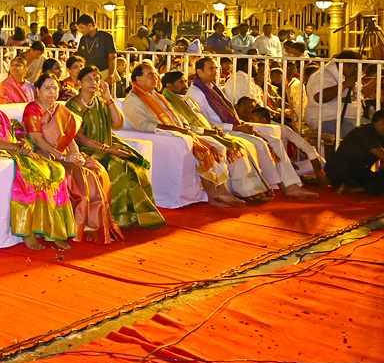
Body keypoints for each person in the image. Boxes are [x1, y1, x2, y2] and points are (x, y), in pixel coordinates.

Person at [0, 72, 76, 250]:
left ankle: (53, 230)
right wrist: (15, 148)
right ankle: (27, 232)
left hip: (9, 151)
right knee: (30, 174)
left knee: (55, 169)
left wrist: (23, 143)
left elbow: (17, 130)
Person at [188, 58, 316, 200]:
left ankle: (291, 186)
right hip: (221, 131)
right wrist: (237, 127)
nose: (215, 72)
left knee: (275, 141)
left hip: (234, 126)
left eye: (216, 68)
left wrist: (242, 125)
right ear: (199, 71)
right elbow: (205, 123)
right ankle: (276, 186)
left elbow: (229, 113)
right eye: (211, 68)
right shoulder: (196, 93)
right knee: (260, 143)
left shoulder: (212, 88)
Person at [121, 63, 244, 207]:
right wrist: (177, 130)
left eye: (155, 74)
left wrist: (199, 131)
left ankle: (221, 191)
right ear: (137, 79)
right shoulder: (133, 99)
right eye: (150, 75)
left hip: (180, 133)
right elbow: (142, 126)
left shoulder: (157, 97)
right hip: (165, 138)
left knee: (217, 145)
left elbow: (179, 120)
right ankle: (214, 194)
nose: (155, 78)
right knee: (205, 149)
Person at [24, 73, 121, 244]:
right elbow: (37, 139)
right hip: (44, 153)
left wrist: (75, 155)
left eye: (54, 88)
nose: (51, 92)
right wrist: (63, 156)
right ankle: (76, 227)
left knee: (96, 169)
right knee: (79, 175)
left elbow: (70, 138)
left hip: (64, 152)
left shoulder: (60, 109)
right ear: (38, 90)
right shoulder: (33, 109)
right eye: (47, 88)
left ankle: (95, 225)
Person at [66, 66, 165, 230]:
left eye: (97, 79)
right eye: (88, 79)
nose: (94, 82)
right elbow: (79, 137)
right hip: (85, 150)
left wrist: (109, 98)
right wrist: (107, 149)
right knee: (118, 166)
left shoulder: (99, 102)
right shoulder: (73, 106)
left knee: (134, 166)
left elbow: (117, 124)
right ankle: (115, 217)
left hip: (105, 145)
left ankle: (135, 214)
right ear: (79, 83)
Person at [323, 109, 384, 195]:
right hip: (342, 171)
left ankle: (354, 188)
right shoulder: (364, 132)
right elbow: (381, 154)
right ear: (381, 123)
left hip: (359, 171)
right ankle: (356, 189)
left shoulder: (380, 135)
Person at [75, 14, 116, 78]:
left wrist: (110, 76)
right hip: (88, 73)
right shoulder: (83, 39)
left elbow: (112, 57)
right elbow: (79, 57)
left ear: (90, 25)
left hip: (104, 72)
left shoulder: (106, 37)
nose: (80, 30)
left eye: (81, 27)